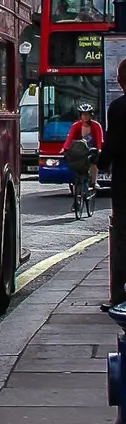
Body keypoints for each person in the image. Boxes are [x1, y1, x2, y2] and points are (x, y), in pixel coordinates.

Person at [98, 58, 126, 311]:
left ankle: (120, 297)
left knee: (122, 241)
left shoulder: (119, 108)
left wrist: (100, 162)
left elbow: (114, 145)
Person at [61, 102, 104, 190]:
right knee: (75, 161)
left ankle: (93, 182)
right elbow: (69, 138)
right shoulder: (76, 126)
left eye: (87, 115)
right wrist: (64, 148)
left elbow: (100, 139)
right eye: (83, 115)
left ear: (91, 115)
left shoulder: (96, 125)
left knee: (93, 162)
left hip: (92, 148)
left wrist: (99, 149)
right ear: (80, 116)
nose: (85, 117)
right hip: (80, 149)